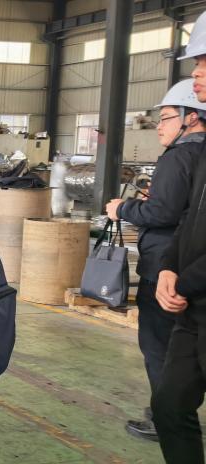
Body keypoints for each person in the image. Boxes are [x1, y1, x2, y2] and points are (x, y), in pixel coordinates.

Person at [103, 79, 206, 442]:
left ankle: (166, 418)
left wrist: (123, 208)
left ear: (191, 117)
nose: (159, 127)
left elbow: (163, 214)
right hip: (195, 269)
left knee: (159, 346)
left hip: (166, 268)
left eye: (166, 118)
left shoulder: (179, 156)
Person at [150, 10, 206, 462]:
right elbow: (189, 218)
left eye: (205, 63)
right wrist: (169, 266)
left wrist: (183, 281)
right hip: (192, 307)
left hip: (194, 291)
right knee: (169, 406)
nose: (196, 73)